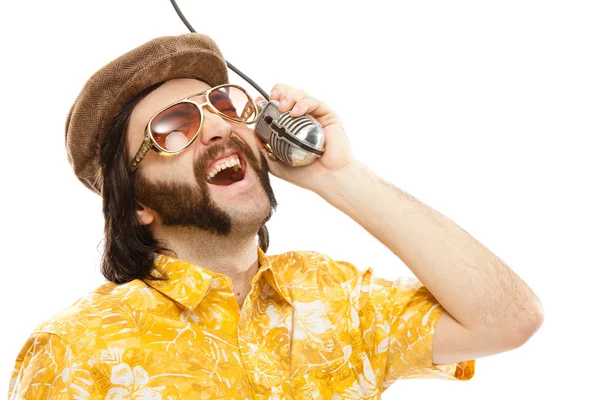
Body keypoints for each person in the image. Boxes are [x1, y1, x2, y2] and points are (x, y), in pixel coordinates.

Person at [8, 33, 543, 399]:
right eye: (174, 128)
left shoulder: (334, 299)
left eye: (223, 105)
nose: (218, 128)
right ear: (137, 206)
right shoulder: (74, 348)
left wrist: (341, 177)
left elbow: (509, 319)